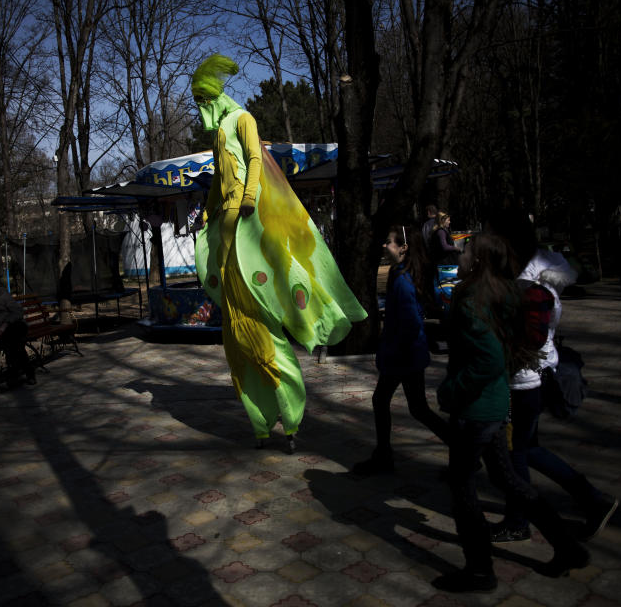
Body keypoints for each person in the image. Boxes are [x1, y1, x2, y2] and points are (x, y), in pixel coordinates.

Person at [192, 54, 365, 453]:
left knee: (265, 310)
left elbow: (254, 158)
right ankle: (259, 419)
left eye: (204, 97)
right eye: (197, 99)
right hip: (228, 228)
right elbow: (220, 177)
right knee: (236, 334)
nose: (200, 106)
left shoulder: (242, 119)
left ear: (216, 95)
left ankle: (290, 411)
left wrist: (249, 196)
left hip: (248, 223)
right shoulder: (220, 131)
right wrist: (208, 212)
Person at [433, 232, 589, 593]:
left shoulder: (471, 298)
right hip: (495, 406)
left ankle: (479, 571)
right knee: (508, 480)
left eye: (467, 248)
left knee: (463, 489)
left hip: (474, 411)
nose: (461, 251)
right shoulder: (499, 292)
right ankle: (567, 547)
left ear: (481, 259)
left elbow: (488, 358)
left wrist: (451, 391)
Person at [489, 212, 619, 543]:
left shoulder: (529, 285)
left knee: (515, 452)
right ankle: (592, 499)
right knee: (527, 448)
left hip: (523, 383)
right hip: (530, 379)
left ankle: (519, 521)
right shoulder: (530, 275)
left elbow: (528, 340)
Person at [353, 229, 448, 475]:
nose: (384, 246)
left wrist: (391, 353)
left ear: (403, 248)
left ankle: (384, 456)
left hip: (404, 357)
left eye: (389, 242)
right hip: (407, 356)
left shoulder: (404, 282)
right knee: (417, 409)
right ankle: (463, 451)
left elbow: (410, 325)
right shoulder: (400, 273)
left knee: (385, 401)